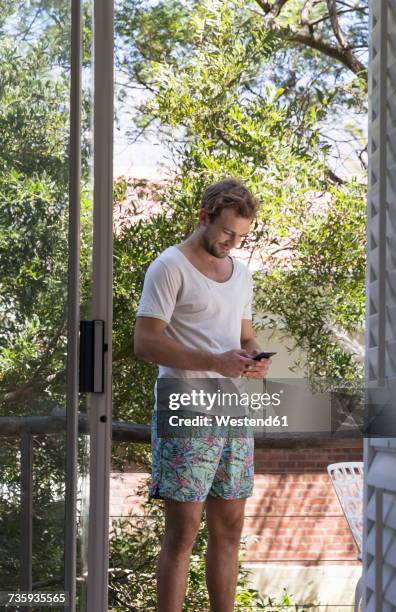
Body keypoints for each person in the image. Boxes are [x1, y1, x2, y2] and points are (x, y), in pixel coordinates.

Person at [133, 178, 272, 612]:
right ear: (204, 216)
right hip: (185, 404)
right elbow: (145, 342)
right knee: (183, 532)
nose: (233, 242)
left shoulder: (242, 274)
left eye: (242, 236)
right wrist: (215, 361)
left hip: (231, 407)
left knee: (229, 529)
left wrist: (253, 357)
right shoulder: (169, 267)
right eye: (227, 232)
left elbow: (245, 336)